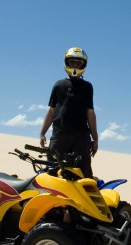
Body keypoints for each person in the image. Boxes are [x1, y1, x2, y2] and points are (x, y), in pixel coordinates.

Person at [39, 47, 99, 177]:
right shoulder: (58, 85)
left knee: (83, 173)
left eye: (79, 63)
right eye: (72, 62)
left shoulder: (87, 87)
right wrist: (42, 133)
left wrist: (95, 138)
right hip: (59, 134)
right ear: (66, 63)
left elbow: (90, 113)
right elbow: (51, 110)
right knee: (52, 171)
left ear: (84, 65)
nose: (75, 65)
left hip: (81, 137)